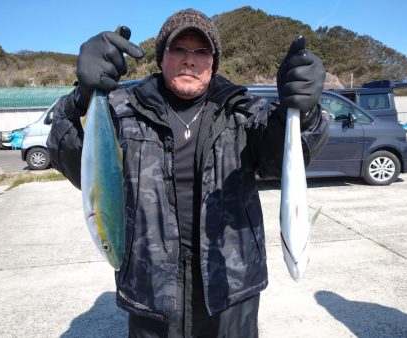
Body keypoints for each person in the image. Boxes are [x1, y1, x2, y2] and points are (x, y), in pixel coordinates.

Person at [47, 8, 329, 338]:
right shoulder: (122, 110)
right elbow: (68, 156)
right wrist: (80, 97)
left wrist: (305, 113)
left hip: (231, 290)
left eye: (201, 51)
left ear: (213, 60)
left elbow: (282, 157)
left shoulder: (242, 111)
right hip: (150, 293)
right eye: (179, 49)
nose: (189, 60)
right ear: (161, 56)